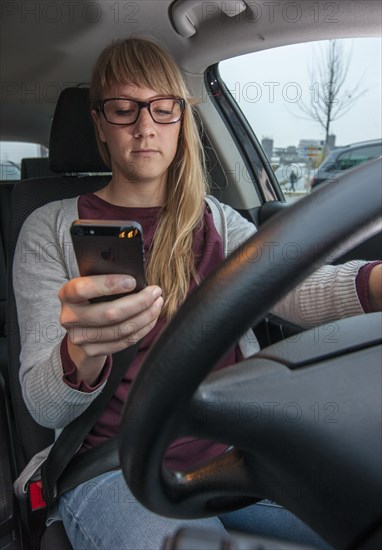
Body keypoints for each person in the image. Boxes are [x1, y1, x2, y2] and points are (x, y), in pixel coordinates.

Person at [13, 37, 382, 549]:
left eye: (162, 109)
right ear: (99, 123)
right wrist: (81, 352)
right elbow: (43, 406)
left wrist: (377, 282)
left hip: (233, 461)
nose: (145, 126)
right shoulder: (48, 228)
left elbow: (300, 287)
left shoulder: (216, 221)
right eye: (124, 109)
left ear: (181, 119)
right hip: (114, 468)